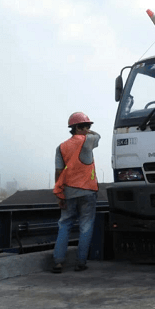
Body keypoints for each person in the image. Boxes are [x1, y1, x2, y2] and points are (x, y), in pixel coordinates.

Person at [52, 112, 100, 273]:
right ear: (77, 128)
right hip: (88, 191)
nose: (88, 129)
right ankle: (81, 262)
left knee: (64, 224)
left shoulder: (61, 147)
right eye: (85, 126)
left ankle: (58, 262)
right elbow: (98, 136)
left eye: (89, 126)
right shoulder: (89, 140)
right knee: (86, 226)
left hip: (69, 192)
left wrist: (60, 194)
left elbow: (59, 172)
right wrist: (89, 132)